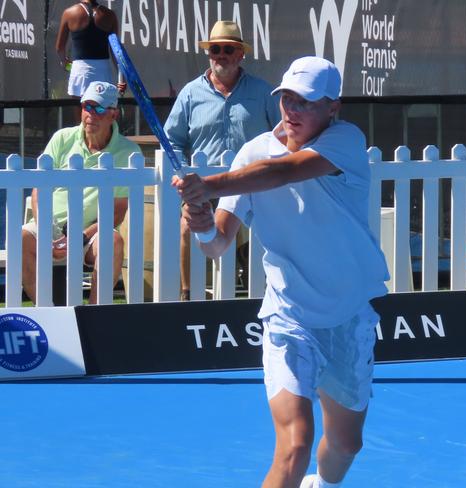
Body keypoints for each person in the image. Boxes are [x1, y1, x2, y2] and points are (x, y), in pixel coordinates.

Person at [173, 56, 389, 488]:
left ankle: (323, 485)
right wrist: (201, 226)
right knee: (294, 446)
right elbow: (218, 242)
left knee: (346, 446)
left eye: (305, 102)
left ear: (333, 108)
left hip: (348, 316)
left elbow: (283, 173)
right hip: (288, 319)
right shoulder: (252, 153)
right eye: (287, 99)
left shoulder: (346, 140)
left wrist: (210, 185)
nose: (292, 110)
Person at [163, 20, 280, 300]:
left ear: (241, 54)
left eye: (228, 49)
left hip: (251, 185)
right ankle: (188, 295)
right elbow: (172, 140)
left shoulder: (263, 92)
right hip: (205, 185)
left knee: (266, 232)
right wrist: (180, 171)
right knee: (186, 226)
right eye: (215, 49)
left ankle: (263, 294)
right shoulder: (191, 93)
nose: (221, 55)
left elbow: (281, 136)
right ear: (209, 53)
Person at [22, 81, 141, 305]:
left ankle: (93, 317)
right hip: (49, 227)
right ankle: (50, 314)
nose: (90, 114)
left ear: (113, 115)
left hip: (92, 233)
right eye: (87, 106)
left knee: (113, 241)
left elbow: (117, 213)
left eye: (98, 109)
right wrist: (48, 232)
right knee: (20, 239)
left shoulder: (129, 152)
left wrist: (81, 236)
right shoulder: (62, 138)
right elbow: (39, 191)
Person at [55, 0, 126, 97]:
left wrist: (64, 62)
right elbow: (116, 51)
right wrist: (122, 78)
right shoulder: (110, 15)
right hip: (103, 72)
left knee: (81, 111)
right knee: (102, 111)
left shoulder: (69, 13)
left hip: (80, 73)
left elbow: (59, 48)